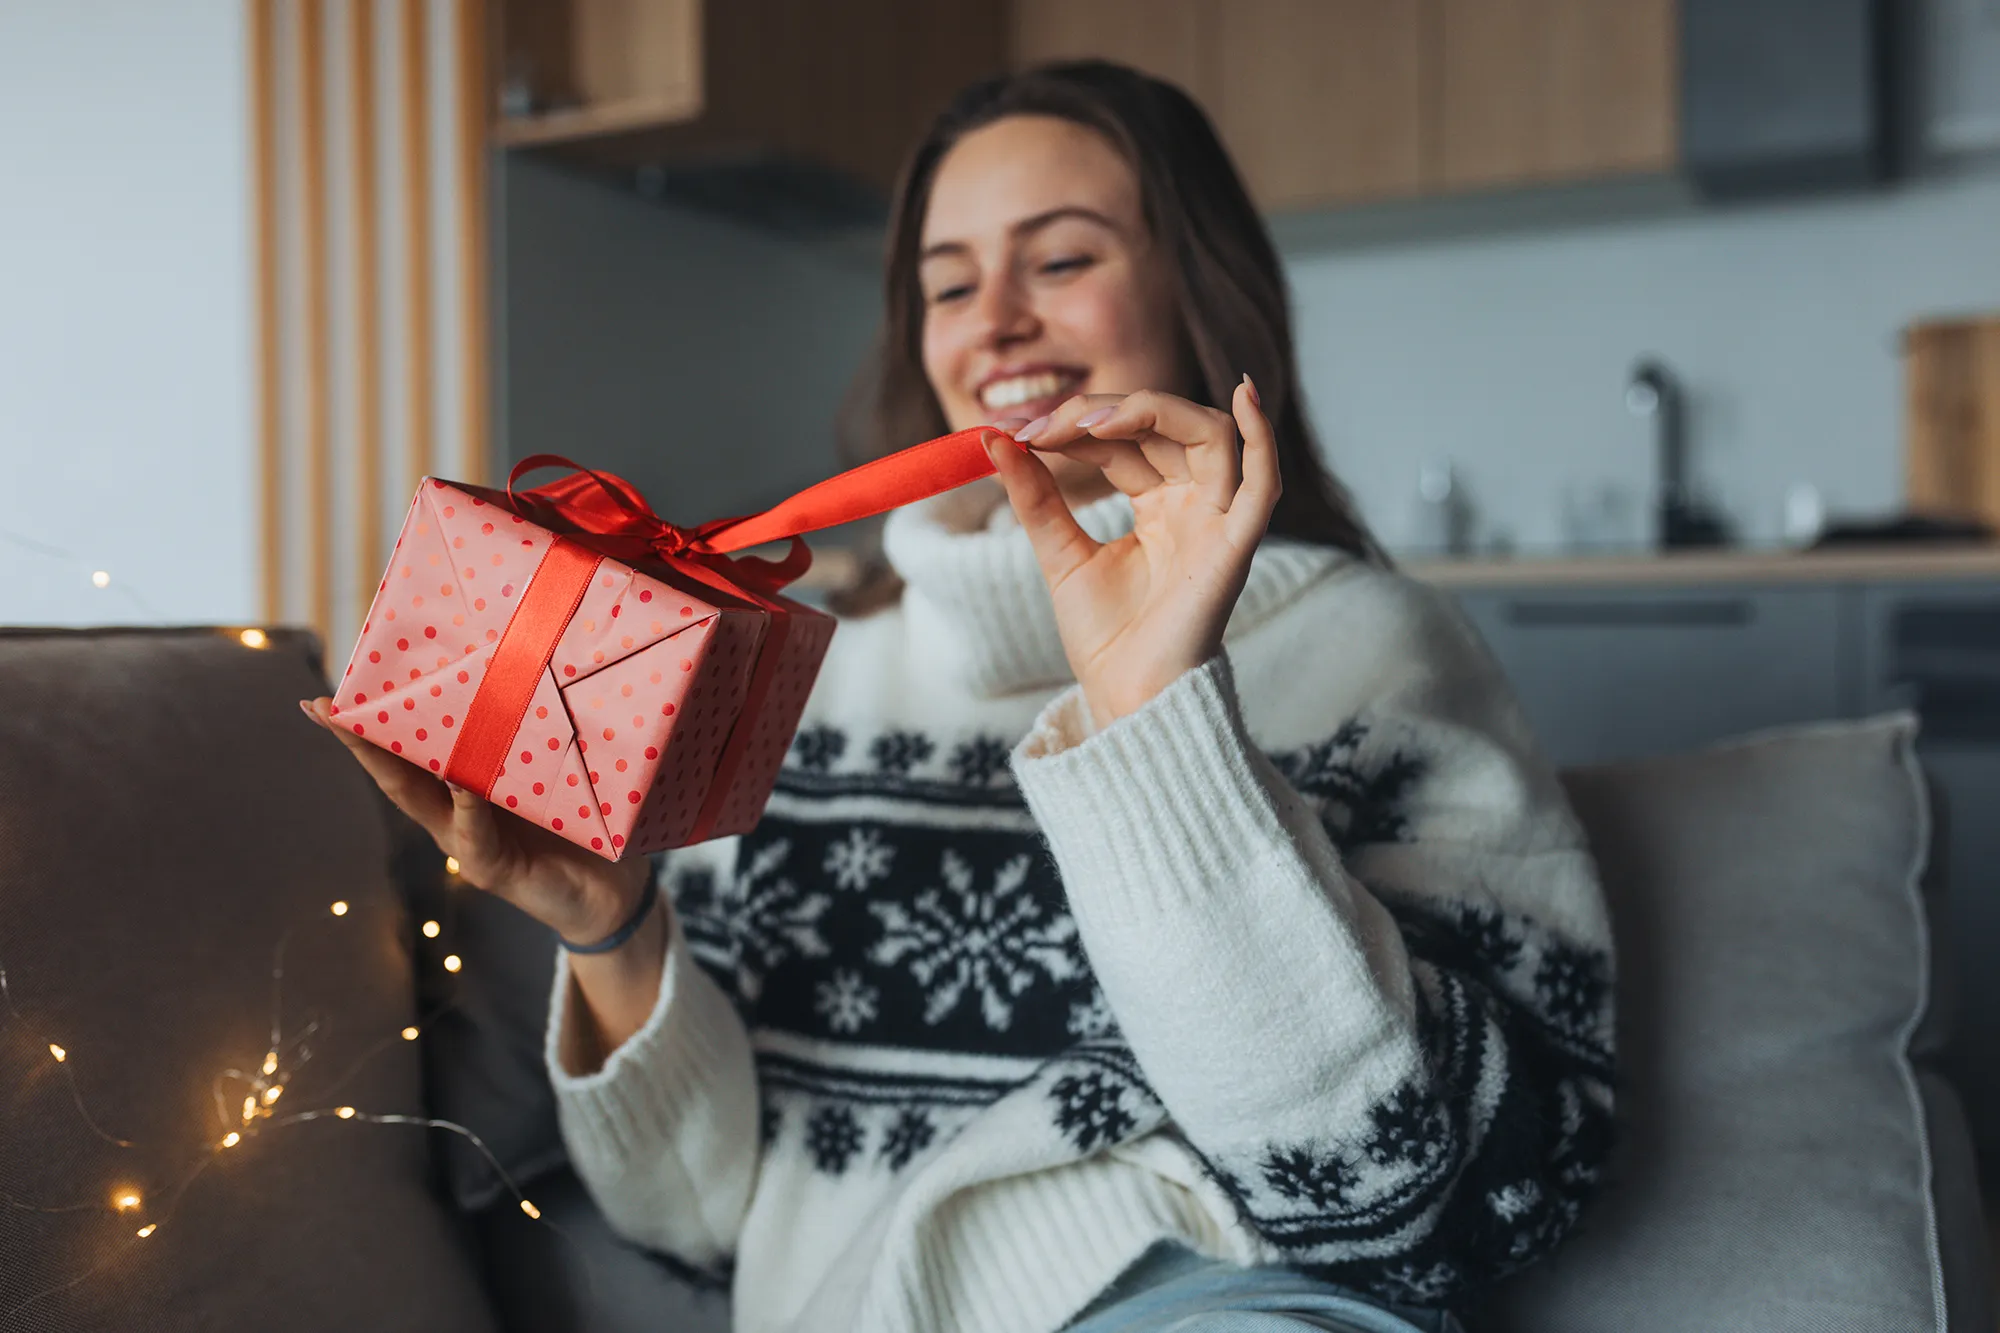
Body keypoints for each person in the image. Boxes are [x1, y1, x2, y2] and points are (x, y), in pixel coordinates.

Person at [306, 61, 1613, 1333]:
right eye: (948, 283)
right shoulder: (796, 686)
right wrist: (616, 932)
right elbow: (696, 1224)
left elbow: (1457, 1212)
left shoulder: (1379, 652)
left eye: (1062, 259)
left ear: (1199, 289)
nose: (994, 321)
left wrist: (1156, 720)